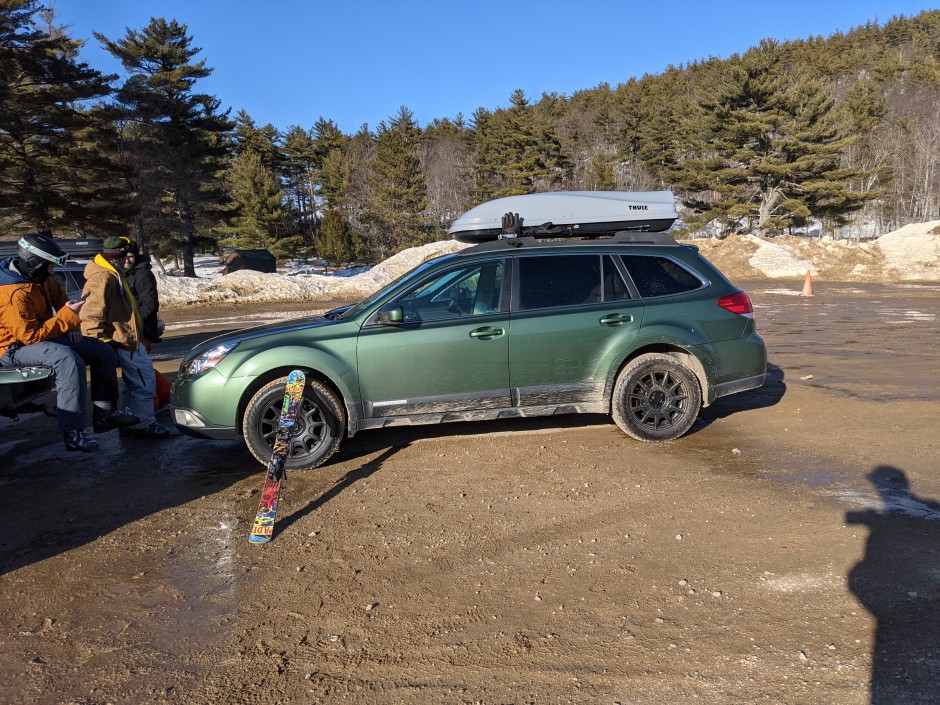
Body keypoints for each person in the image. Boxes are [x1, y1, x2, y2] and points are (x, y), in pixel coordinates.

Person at [0, 234, 138, 452]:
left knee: (102, 350)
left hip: (41, 336)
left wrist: (72, 326)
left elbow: (63, 301)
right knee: (67, 358)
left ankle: (105, 414)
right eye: (50, 266)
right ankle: (73, 432)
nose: (53, 271)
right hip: (13, 348)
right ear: (35, 264)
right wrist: (66, 318)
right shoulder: (13, 293)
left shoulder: (42, 280)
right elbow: (29, 337)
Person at [81, 236, 171, 439]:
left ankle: (134, 421)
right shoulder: (102, 277)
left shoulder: (113, 273)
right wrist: (102, 343)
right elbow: (91, 315)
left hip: (129, 338)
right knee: (143, 381)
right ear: (116, 257)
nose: (129, 260)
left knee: (136, 383)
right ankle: (144, 424)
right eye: (125, 256)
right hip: (122, 341)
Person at [123, 240, 171, 410]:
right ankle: (167, 394)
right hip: (131, 329)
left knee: (140, 370)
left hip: (141, 330)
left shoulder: (142, 274)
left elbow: (149, 303)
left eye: (131, 257)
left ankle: (152, 403)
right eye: (125, 257)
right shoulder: (126, 273)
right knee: (142, 367)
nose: (127, 260)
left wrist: (139, 326)